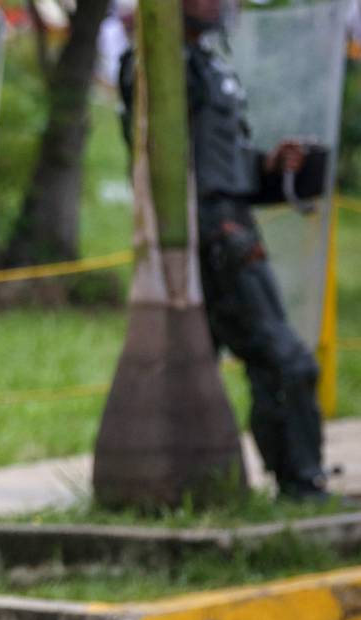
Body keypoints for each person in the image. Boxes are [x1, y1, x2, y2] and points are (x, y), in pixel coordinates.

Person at [118, 0, 328, 498]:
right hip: (215, 235)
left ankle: (286, 480)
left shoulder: (210, 64)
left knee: (268, 363)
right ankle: (300, 484)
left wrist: (269, 168)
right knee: (285, 361)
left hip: (231, 221)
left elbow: (215, 163)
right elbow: (163, 164)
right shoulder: (156, 68)